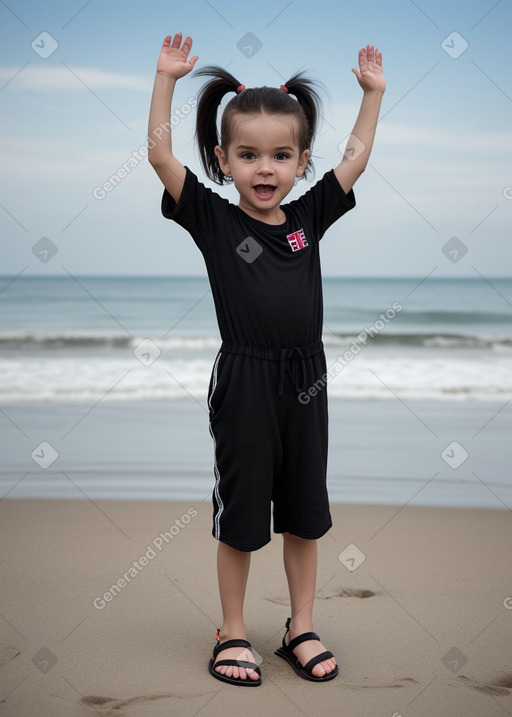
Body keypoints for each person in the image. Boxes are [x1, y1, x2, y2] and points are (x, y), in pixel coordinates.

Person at [148, 32, 385, 686]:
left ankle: (300, 625)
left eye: (281, 155)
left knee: (305, 512)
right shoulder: (213, 220)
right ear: (224, 160)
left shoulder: (310, 215)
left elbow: (356, 160)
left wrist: (373, 96)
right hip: (246, 380)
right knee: (243, 515)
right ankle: (232, 630)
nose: (264, 168)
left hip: (306, 378)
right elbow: (159, 153)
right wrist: (166, 78)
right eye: (248, 155)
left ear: (302, 161)